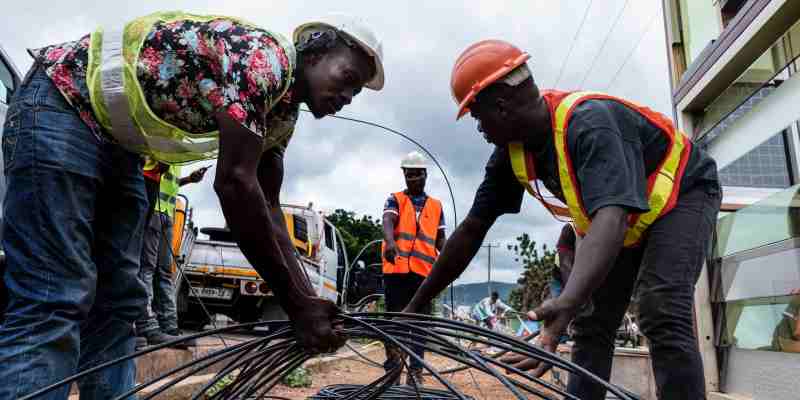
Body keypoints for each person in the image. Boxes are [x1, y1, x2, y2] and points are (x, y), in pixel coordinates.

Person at [0, 11, 384, 399]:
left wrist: (310, 303)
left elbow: (268, 207)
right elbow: (235, 185)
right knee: (55, 296)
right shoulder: (263, 59)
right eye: (348, 78)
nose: (347, 97)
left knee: (119, 303)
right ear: (315, 55)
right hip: (60, 104)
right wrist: (296, 302)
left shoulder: (282, 114)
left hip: (119, 146)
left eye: (356, 93)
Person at [403, 39, 720, 400]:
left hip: (685, 194)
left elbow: (612, 218)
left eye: (477, 116)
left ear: (501, 106)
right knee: (592, 321)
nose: (479, 129)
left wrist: (568, 300)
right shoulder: (512, 154)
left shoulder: (589, 124)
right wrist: (415, 306)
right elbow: (473, 228)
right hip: (629, 220)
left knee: (662, 308)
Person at [381, 151, 446, 385]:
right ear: (404, 175)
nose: (414, 179)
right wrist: (390, 242)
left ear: (425, 174)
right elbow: (388, 220)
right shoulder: (395, 199)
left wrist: (446, 263)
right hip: (396, 272)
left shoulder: (437, 206)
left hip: (423, 275)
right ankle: (393, 369)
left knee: (420, 325)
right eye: (409, 175)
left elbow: (441, 239)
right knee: (394, 322)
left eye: (418, 175)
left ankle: (416, 372)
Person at [136, 163, 207, 349]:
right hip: (153, 210)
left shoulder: (176, 154)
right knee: (147, 268)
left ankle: (169, 327)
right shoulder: (164, 144)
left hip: (168, 212)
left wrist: (189, 180)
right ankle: (147, 325)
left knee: (165, 272)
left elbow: (170, 183)